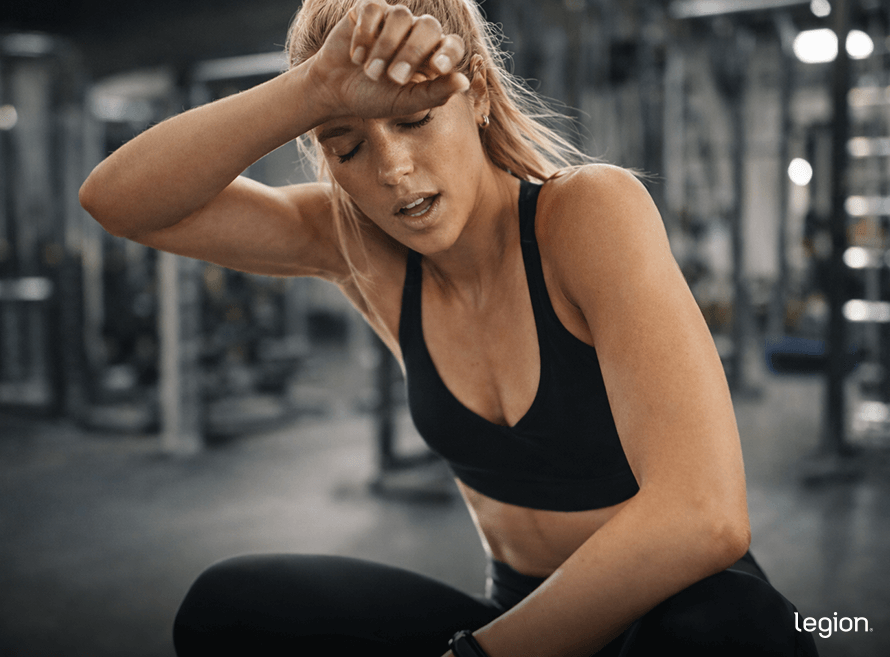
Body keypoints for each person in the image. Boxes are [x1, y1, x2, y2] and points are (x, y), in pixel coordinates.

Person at [79, 1, 819, 655]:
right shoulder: (360, 249)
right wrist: (308, 91)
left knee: (721, 629)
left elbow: (705, 516)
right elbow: (119, 201)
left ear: (481, 100)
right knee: (228, 607)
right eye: (347, 146)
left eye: (413, 119)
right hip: (516, 615)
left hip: (676, 619)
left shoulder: (589, 213)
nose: (394, 169)